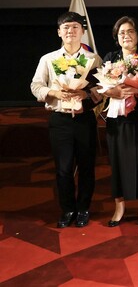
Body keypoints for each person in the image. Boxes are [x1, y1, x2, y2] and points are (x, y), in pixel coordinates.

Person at [30, 12, 102, 228]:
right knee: (63, 168)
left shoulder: (93, 59)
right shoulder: (48, 59)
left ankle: (84, 208)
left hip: (84, 119)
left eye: (75, 27)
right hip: (60, 120)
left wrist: (85, 94)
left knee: (87, 166)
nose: (70, 31)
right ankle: (68, 209)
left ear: (82, 31)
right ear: (59, 32)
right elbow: (35, 86)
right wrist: (54, 93)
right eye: (66, 27)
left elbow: (101, 89)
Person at [101, 16, 138, 227]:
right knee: (117, 160)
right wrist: (113, 91)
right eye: (121, 33)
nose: (126, 36)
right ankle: (119, 206)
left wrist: (136, 90)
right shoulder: (110, 58)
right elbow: (101, 88)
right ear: (117, 37)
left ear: (137, 35)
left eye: (130, 31)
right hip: (117, 118)